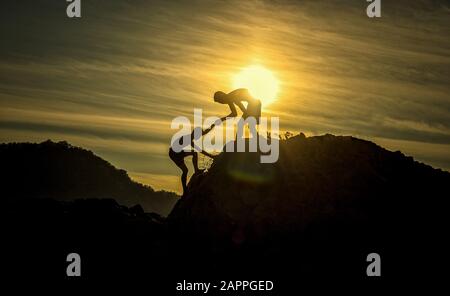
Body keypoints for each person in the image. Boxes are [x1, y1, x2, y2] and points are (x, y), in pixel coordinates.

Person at [169, 125, 216, 195]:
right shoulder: (188, 139)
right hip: (174, 153)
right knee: (192, 157)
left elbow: (205, 132)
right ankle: (196, 171)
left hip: (177, 153)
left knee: (186, 170)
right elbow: (200, 150)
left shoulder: (191, 137)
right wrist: (211, 156)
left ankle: (185, 189)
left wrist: (214, 125)